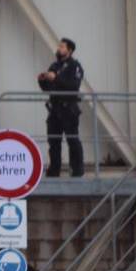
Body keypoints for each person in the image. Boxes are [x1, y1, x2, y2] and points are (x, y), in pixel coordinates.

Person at [38, 39, 86, 177]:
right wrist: (42, 81)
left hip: (68, 109)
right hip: (54, 110)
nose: (59, 48)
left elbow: (73, 86)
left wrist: (56, 78)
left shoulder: (75, 66)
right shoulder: (54, 65)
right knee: (53, 142)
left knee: (72, 140)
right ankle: (54, 171)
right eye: (59, 46)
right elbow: (48, 88)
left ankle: (77, 171)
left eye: (62, 46)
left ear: (69, 50)